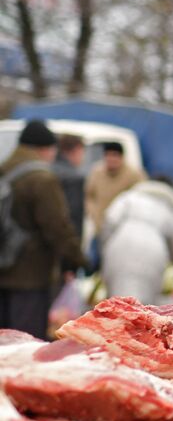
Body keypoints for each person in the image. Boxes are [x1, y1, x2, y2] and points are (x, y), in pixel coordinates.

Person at [0, 120, 86, 337]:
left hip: (3, 269)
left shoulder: (5, 170)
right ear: (44, 148)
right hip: (30, 274)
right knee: (25, 343)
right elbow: (57, 227)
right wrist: (78, 259)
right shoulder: (42, 179)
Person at [100, 178, 173, 303]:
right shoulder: (167, 209)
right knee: (143, 305)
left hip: (121, 242)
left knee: (116, 300)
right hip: (154, 249)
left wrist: (106, 247)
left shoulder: (129, 197)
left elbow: (110, 220)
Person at [84, 141, 145, 267]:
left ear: (122, 157)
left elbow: (141, 200)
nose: (111, 159)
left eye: (115, 155)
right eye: (108, 155)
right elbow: (89, 195)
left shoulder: (134, 175)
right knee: (91, 265)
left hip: (121, 234)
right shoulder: (97, 172)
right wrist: (92, 212)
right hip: (99, 229)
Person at [52, 134, 86, 246]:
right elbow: (74, 215)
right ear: (76, 150)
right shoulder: (74, 178)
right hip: (65, 242)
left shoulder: (46, 169)